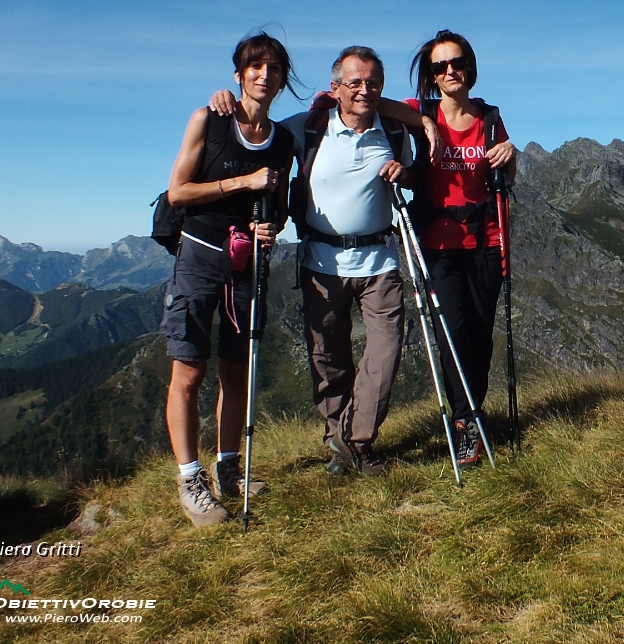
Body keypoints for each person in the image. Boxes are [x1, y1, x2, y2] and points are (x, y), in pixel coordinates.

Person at [209, 48, 430, 477]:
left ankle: (353, 441)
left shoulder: (395, 132)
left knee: (384, 356)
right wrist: (226, 102)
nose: (364, 90)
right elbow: (257, 132)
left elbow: (420, 174)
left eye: (372, 83)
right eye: (354, 83)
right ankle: (343, 445)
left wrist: (407, 171)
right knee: (328, 359)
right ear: (335, 89)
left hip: (379, 261)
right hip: (320, 261)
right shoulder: (306, 128)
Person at [161, 32, 295, 527]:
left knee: (235, 372)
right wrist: (242, 181)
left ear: (282, 81)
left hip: (245, 265)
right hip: (197, 256)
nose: (264, 76)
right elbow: (178, 193)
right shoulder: (210, 120)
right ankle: (191, 478)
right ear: (239, 75)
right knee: (189, 373)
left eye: (273, 69)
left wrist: (272, 227)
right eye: (254, 67)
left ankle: (229, 471)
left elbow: (276, 207)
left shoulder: (283, 141)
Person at [405, 29, 515, 469]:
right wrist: (425, 122)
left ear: (469, 67)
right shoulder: (420, 111)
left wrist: (512, 153)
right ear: (431, 76)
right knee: (454, 333)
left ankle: (474, 412)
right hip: (438, 244)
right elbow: (374, 105)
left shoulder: (489, 119)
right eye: (440, 66)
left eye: (457, 63)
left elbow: (508, 175)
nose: (450, 71)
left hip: (487, 242)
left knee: (480, 336)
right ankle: (465, 421)